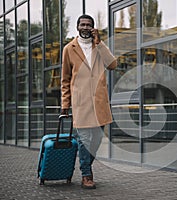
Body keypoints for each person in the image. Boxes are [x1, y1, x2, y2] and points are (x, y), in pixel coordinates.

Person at [60, 14, 117, 189]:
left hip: (99, 102)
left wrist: (99, 42)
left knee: (97, 139)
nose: (85, 27)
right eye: (82, 24)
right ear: (77, 27)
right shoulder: (69, 48)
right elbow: (65, 79)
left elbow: (112, 64)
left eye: (89, 25)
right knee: (84, 140)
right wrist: (65, 105)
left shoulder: (98, 46)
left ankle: (86, 165)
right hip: (81, 103)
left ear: (93, 28)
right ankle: (86, 174)